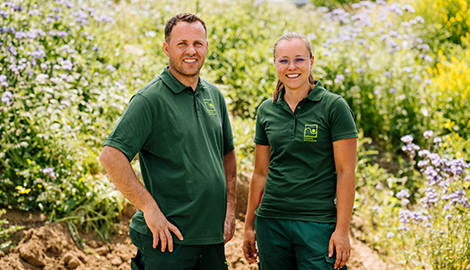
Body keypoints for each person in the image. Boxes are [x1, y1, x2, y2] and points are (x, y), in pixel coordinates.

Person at [99, 13, 237, 270]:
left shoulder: (214, 95)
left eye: (198, 43)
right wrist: (150, 210)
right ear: (166, 48)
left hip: (211, 239)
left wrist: (230, 210)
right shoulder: (150, 100)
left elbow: (227, 155)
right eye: (181, 44)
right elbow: (111, 156)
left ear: (206, 46)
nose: (191, 51)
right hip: (169, 241)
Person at [243, 32, 357, 270]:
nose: (291, 67)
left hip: (317, 224)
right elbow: (260, 173)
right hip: (271, 224)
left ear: (311, 61)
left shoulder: (334, 107)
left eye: (299, 59)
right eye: (283, 60)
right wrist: (249, 226)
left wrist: (342, 230)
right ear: (275, 64)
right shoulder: (266, 110)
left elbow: (346, 172)